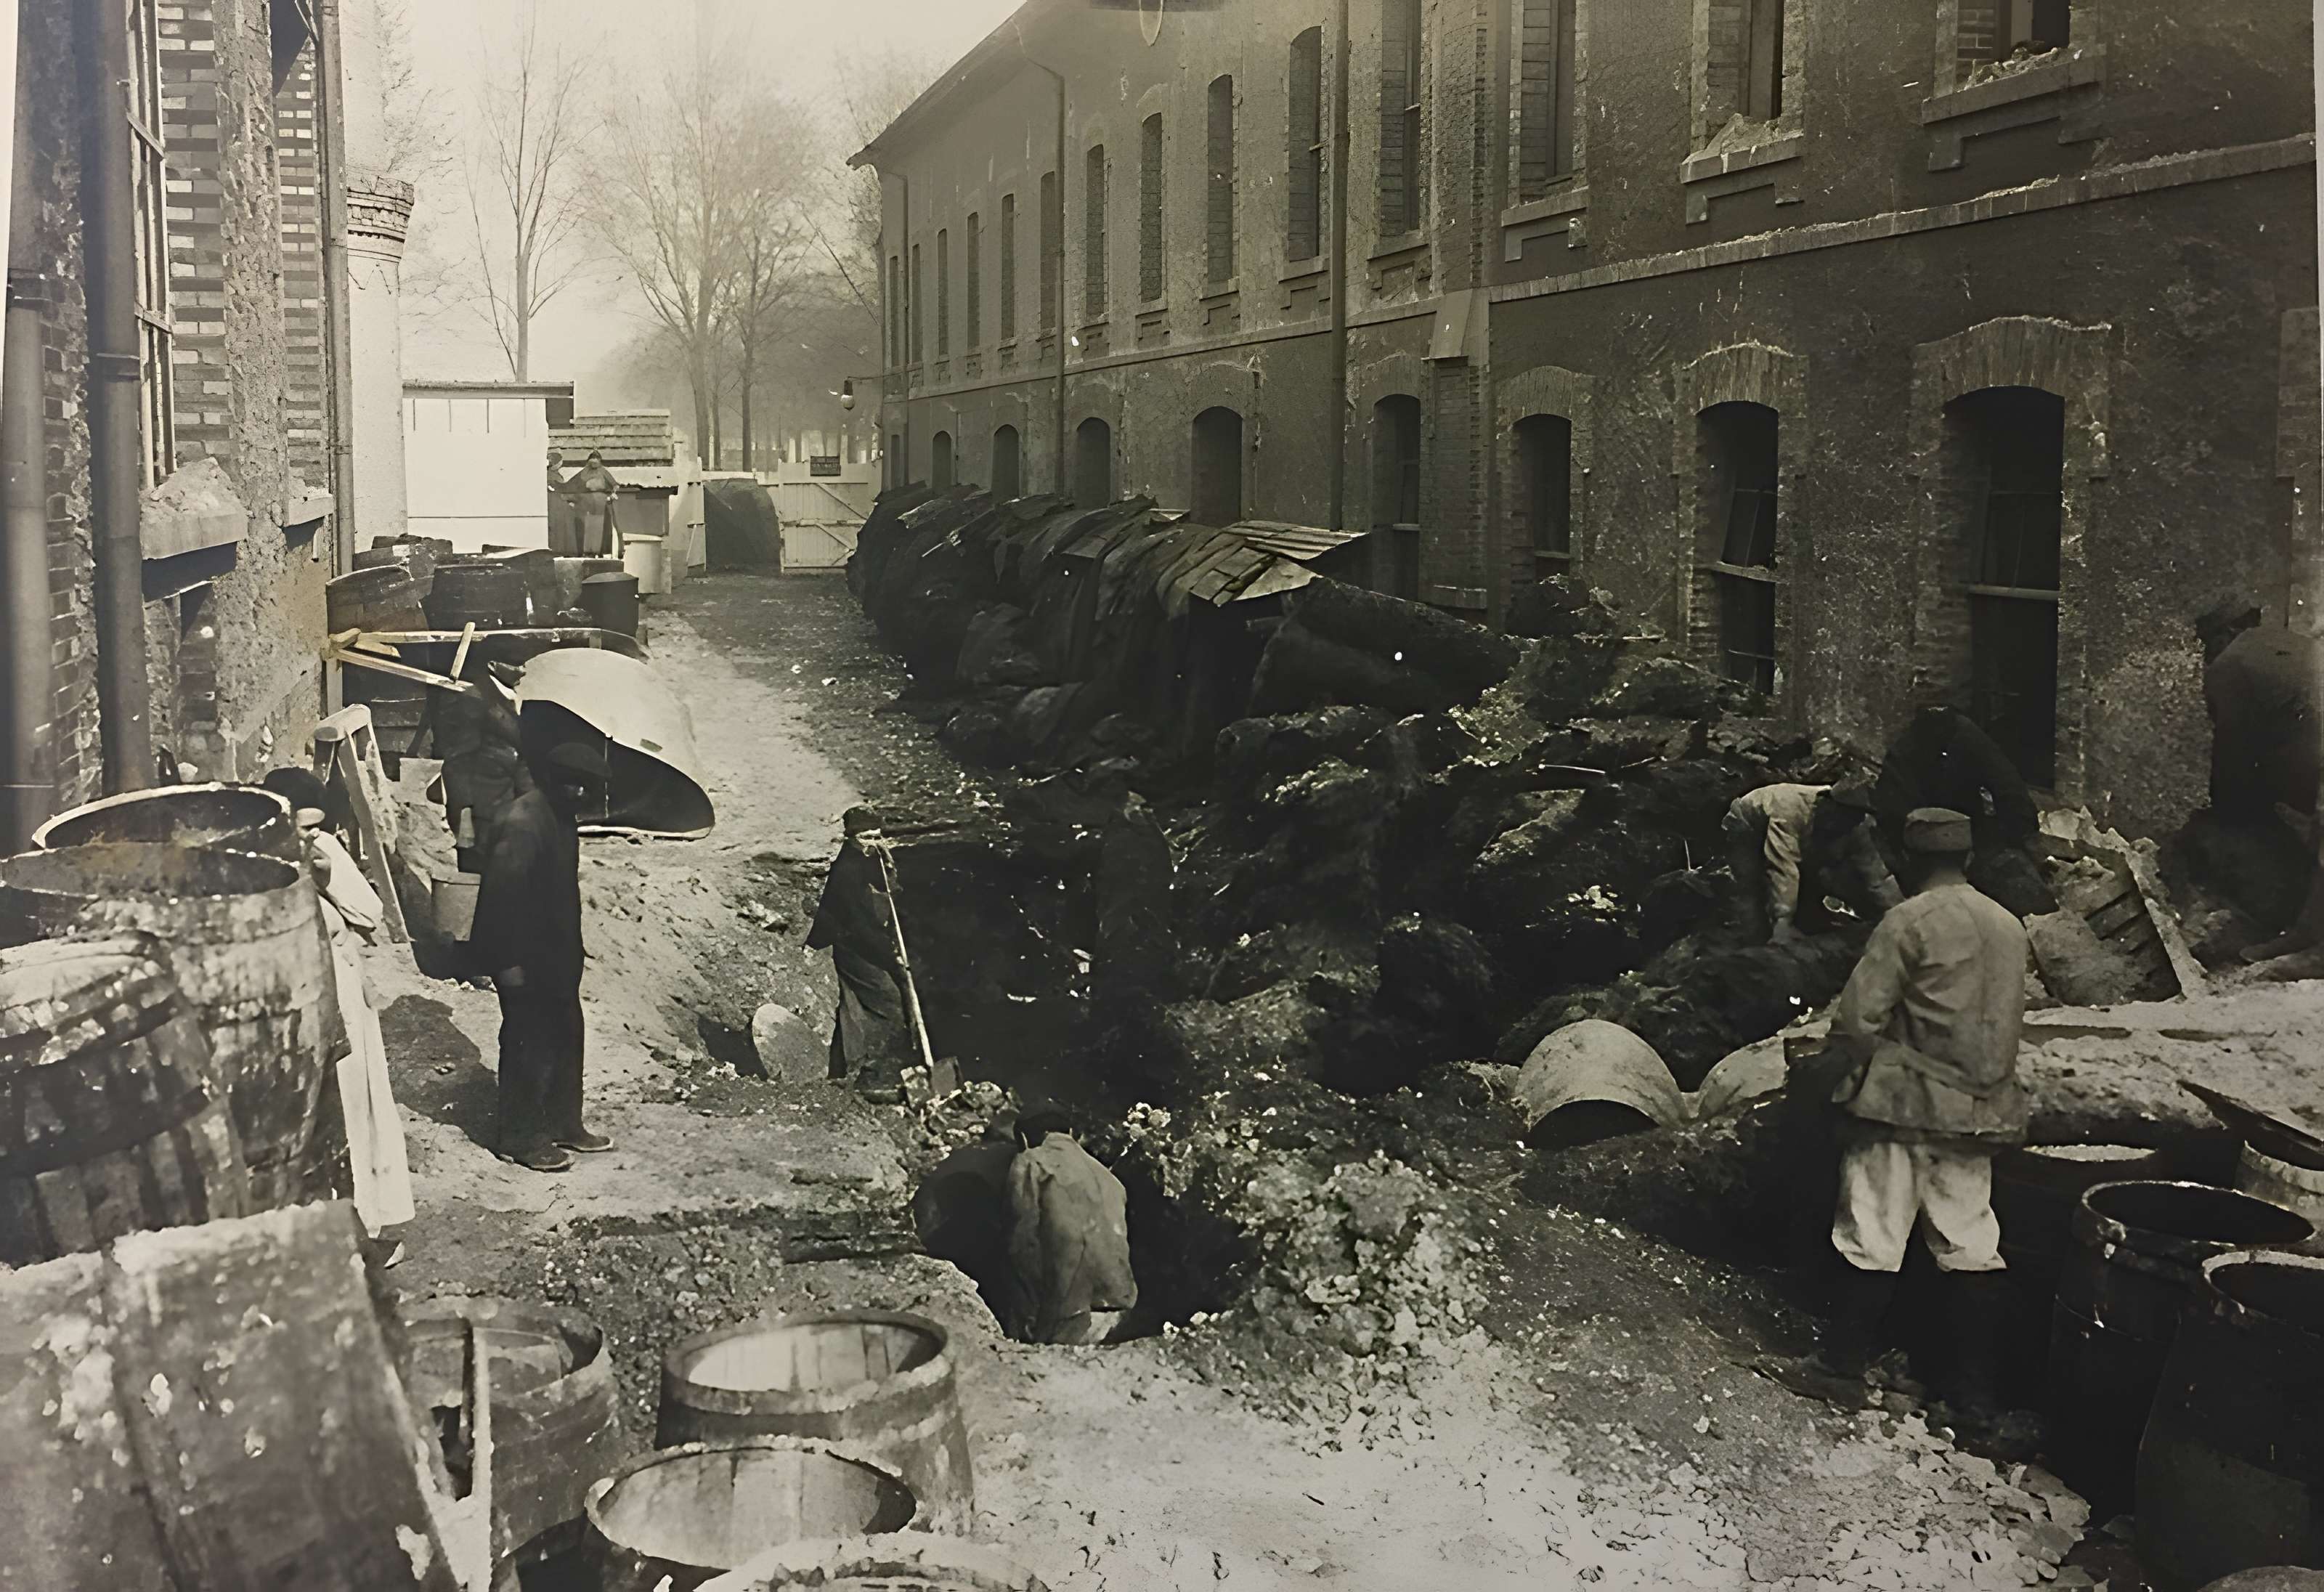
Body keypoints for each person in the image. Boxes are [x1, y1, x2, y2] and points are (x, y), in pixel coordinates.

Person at [1782, 807, 2029, 1418]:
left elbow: (1857, 1023)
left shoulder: (1908, 920)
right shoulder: (2008, 925)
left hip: (1906, 1106)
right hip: (1983, 1109)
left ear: (1908, 859)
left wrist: (1830, 1086)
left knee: (1872, 1229)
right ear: (1967, 858)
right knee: (1971, 1241)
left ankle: (1839, 1368)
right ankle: (1974, 1401)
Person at [260, 767, 414, 1253]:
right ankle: (335, 1237)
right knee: (326, 1119)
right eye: (302, 828)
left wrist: (328, 877)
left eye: (316, 826)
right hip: (307, 1010)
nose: (311, 836)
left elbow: (371, 914)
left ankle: (367, 1225)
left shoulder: (325, 851)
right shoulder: (263, 869)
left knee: (360, 1110)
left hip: (348, 1001)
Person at [470, 728, 612, 1172]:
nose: (580, 792)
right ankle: (521, 1137)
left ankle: (564, 1122)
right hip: (524, 962)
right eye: (572, 782)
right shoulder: (523, 823)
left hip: (557, 959)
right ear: (552, 778)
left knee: (566, 1038)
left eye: (587, 785)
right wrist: (507, 964)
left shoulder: (562, 815)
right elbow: (498, 901)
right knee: (528, 1045)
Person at [1872, 703, 2055, 917]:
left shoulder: (1968, 738)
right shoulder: (1905, 747)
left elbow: (2010, 791)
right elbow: (1891, 810)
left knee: (2030, 904)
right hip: (1922, 838)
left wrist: (2013, 838)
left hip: (1970, 833)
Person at [1004, 1106, 1138, 1346]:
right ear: (1072, 1133)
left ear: (1023, 1139)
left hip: (1069, 1314)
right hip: (1117, 1306)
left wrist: (1031, 1315)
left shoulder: (1032, 1161)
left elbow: (1023, 1242)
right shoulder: (1108, 1176)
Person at [805, 805, 917, 1089]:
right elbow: (860, 925)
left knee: (876, 1001)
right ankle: (879, 1070)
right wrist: (892, 959)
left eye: (878, 837)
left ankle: (873, 1063)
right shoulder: (846, 871)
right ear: (851, 838)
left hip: (865, 939)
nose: (873, 843)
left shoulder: (868, 856)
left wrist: (887, 864)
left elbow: (884, 885)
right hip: (851, 944)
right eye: (867, 838)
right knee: (889, 1000)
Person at [1721, 781, 1902, 945]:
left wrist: (1902, 913)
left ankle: (1799, 923)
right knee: (1750, 890)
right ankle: (1751, 944)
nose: (1851, 822)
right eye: (1846, 815)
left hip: (1799, 837)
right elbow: (1783, 867)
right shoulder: (1790, 809)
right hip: (1747, 825)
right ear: (1828, 804)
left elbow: (1876, 876)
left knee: (1820, 878)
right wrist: (1783, 923)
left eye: (1856, 817)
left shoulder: (1856, 824)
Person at [567, 450, 622, 557]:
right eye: (592, 461)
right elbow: (575, 486)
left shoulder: (602, 472)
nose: (594, 463)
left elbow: (615, 485)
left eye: (596, 460)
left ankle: (597, 551)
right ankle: (588, 551)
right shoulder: (584, 472)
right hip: (586, 503)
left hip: (600, 503)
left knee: (598, 526)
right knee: (589, 526)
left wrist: (611, 495)